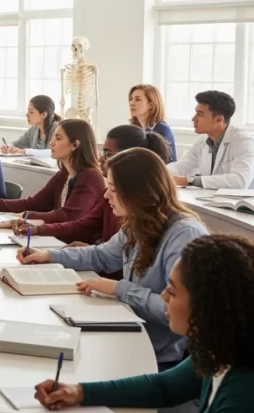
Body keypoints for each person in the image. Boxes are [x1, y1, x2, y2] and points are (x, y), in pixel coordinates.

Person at [18, 148, 207, 370]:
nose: (106, 195)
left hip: (159, 359)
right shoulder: (138, 221)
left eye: (113, 189)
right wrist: (49, 255)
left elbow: (175, 310)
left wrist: (119, 289)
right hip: (127, 337)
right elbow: (102, 255)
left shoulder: (184, 235)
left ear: (139, 193)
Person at [34, 234, 254, 412]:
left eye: (172, 291)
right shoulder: (218, 349)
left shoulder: (242, 393)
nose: (164, 296)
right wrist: (79, 392)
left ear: (207, 304)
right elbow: (164, 387)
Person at [19, 125, 172, 247]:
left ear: (128, 158)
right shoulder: (108, 195)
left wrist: (30, 221)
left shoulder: (144, 213)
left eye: (107, 154)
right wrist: (36, 229)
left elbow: (113, 259)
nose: (101, 159)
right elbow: (84, 226)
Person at [0, 119, 104, 224]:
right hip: (57, 238)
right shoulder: (63, 174)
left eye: (58, 138)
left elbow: (68, 216)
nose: (51, 143)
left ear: (75, 145)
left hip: (76, 244)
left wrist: (25, 217)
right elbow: (33, 203)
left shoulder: (90, 177)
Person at [168, 90, 254, 189]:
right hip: (210, 197)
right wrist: (158, 173)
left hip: (241, 199)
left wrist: (189, 180)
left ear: (218, 120)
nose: (193, 119)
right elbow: (180, 168)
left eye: (200, 114)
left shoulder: (244, 141)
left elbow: (239, 181)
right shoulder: (203, 141)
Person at [128, 84, 177, 162]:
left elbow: (161, 162)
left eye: (138, 99)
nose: (131, 103)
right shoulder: (135, 129)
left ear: (151, 104)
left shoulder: (161, 128)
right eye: (131, 99)